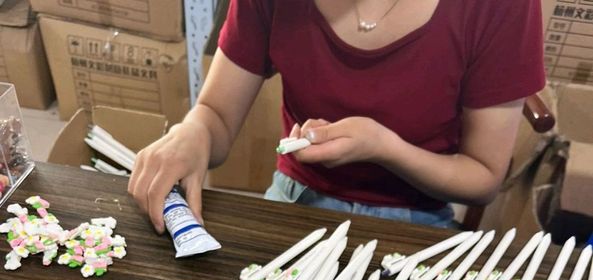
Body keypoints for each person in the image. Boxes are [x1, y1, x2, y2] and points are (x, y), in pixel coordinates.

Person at [129, 0, 545, 232]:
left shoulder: (500, 7)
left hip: (416, 218)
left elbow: (483, 177)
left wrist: (385, 148)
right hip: (298, 199)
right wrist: (195, 131)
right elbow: (216, 115)